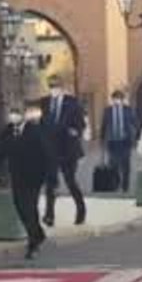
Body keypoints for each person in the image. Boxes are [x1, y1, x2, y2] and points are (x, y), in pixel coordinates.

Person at [2, 100, 49, 258]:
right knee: (20, 207)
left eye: (17, 113)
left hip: (33, 177)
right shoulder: (8, 130)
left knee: (29, 207)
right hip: (16, 176)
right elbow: (0, 149)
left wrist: (49, 176)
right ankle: (38, 233)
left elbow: (45, 153)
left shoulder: (34, 131)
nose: (14, 117)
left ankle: (32, 243)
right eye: (12, 114)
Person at [41, 76, 87, 226]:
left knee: (70, 181)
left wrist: (74, 131)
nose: (53, 89)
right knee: (50, 183)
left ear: (62, 87)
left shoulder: (72, 103)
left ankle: (81, 209)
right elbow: (40, 123)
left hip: (68, 148)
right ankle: (49, 215)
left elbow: (81, 123)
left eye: (56, 86)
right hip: (50, 149)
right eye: (51, 86)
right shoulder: (45, 103)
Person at [100, 89, 139, 193]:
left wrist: (136, 136)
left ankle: (125, 186)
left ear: (122, 100)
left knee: (125, 165)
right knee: (113, 164)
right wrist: (102, 140)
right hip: (112, 142)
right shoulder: (107, 111)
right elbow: (104, 126)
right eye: (115, 99)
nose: (117, 101)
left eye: (119, 99)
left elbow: (134, 122)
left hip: (125, 141)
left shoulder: (128, 110)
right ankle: (115, 184)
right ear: (112, 100)